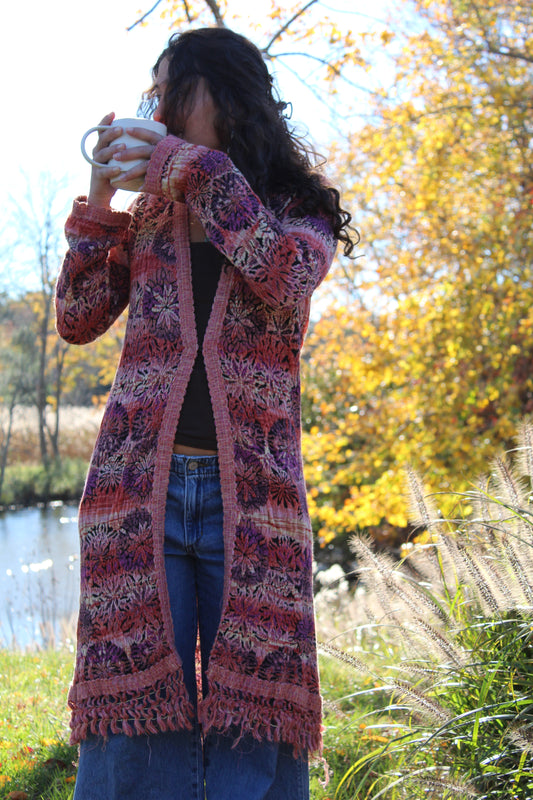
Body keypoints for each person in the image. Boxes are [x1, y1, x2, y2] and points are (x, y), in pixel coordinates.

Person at [55, 26, 356, 800]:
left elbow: (283, 274)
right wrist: (100, 199)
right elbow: (80, 317)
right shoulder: (153, 214)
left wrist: (194, 171)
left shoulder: (296, 210)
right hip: (135, 493)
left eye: (166, 89)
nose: (153, 106)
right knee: (133, 709)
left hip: (250, 497)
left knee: (252, 710)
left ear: (217, 93)